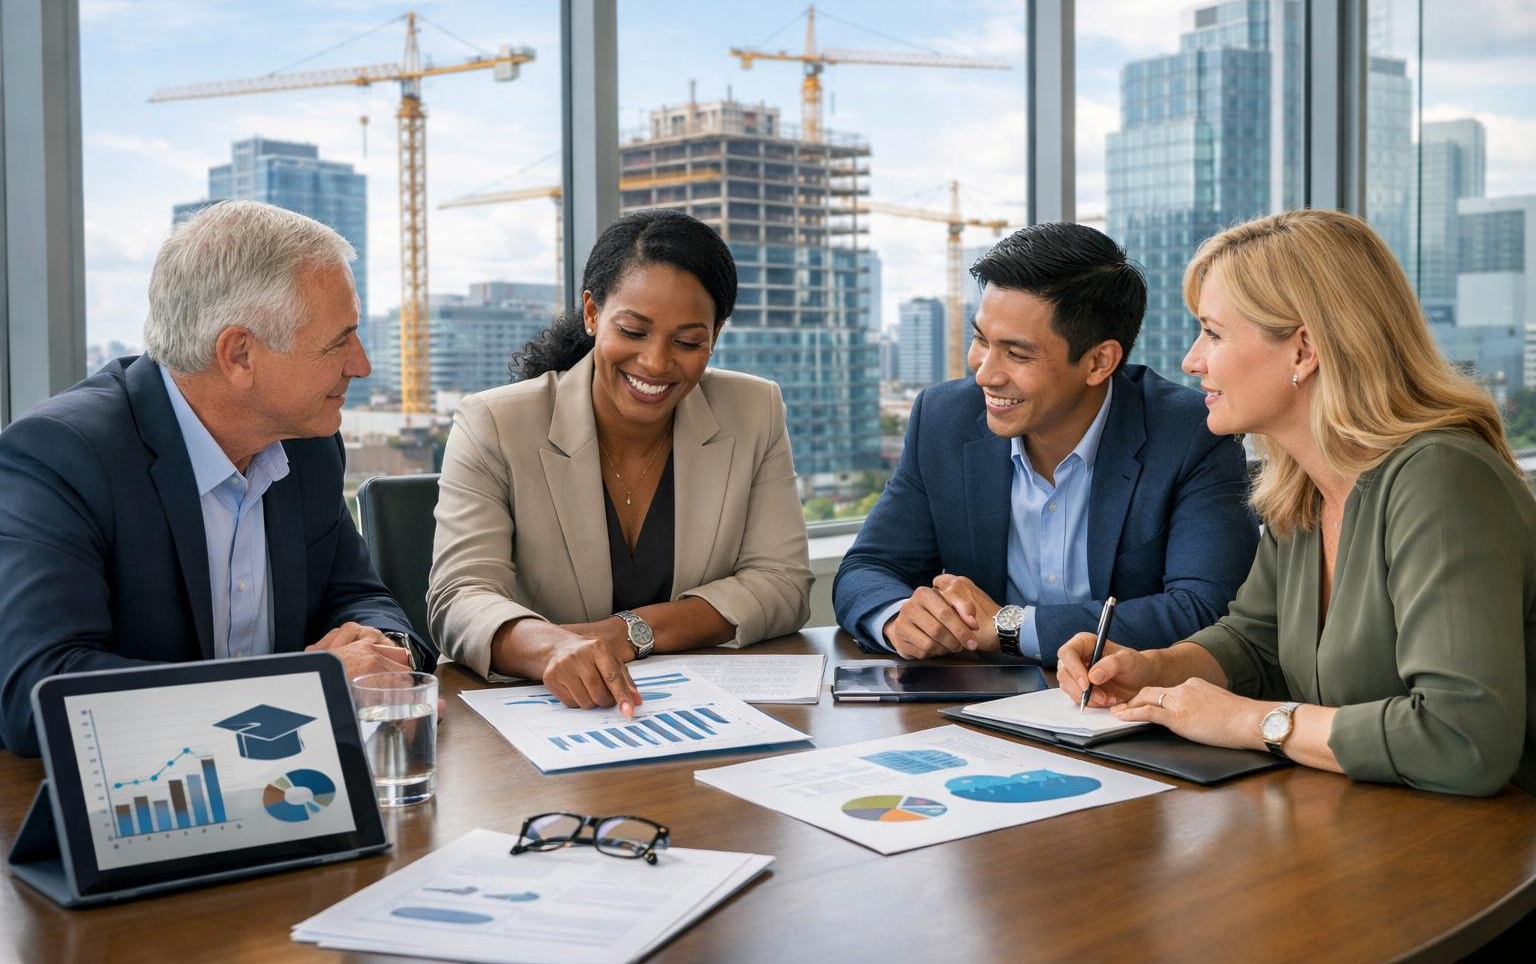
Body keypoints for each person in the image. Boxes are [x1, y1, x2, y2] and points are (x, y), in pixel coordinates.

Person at [1059, 209, 1536, 797]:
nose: (1191, 361)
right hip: (1372, 828)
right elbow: (1256, 641)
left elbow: (1460, 738)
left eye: (1212, 332)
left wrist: (1250, 722)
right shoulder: (1305, 485)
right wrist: (1154, 668)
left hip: (1487, 857)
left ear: (1303, 350)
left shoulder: (1441, 476)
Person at [0, 201, 433, 757]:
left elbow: (358, 596)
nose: (362, 364)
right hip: (135, 807)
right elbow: (38, 692)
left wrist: (381, 652)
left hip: (290, 783)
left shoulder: (310, 445)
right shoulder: (61, 457)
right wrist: (300, 687)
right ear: (239, 354)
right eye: (338, 341)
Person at [428, 209, 812, 711]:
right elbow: (460, 596)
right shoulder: (494, 423)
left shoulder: (753, 409)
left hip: (690, 714)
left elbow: (782, 584)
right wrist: (553, 648)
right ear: (592, 313)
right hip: (542, 717)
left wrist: (628, 633)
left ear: (716, 334)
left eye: (688, 341)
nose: (656, 362)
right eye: (633, 331)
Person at [834, 222, 1257, 665]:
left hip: (1122, 704)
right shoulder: (944, 419)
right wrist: (900, 618)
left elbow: (1206, 609)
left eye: (1017, 354)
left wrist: (1011, 627)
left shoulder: (1191, 433)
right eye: (981, 340)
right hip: (978, 705)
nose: (985, 373)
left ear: (1098, 362)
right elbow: (867, 569)